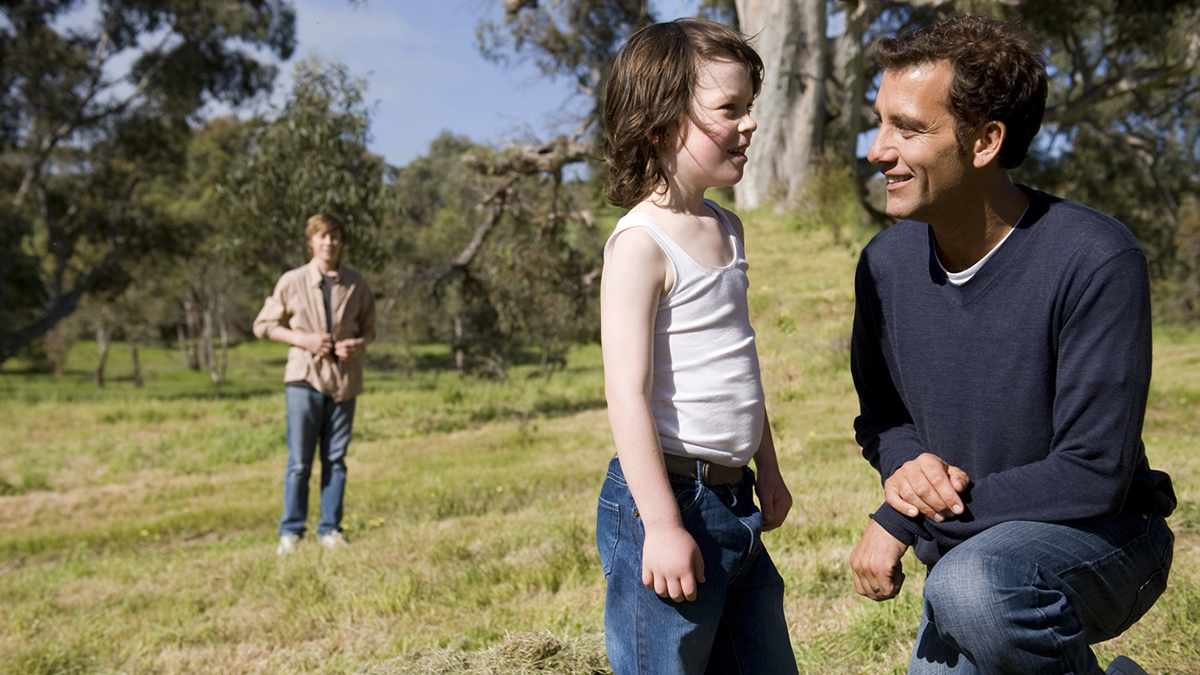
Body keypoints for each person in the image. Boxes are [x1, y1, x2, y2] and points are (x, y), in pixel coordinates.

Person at [848, 15, 1176, 675]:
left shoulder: (1095, 257)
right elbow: (884, 417)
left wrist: (904, 516)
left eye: (909, 128)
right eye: (879, 121)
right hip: (971, 548)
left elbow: (1091, 472)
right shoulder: (882, 264)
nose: (878, 150)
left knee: (969, 589)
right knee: (967, 585)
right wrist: (907, 465)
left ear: (986, 141)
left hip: (1107, 538)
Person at [594, 18, 797, 675]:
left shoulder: (727, 227)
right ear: (660, 127)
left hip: (734, 500)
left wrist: (766, 463)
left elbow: (738, 361)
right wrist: (660, 524)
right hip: (667, 498)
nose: (749, 124)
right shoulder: (640, 244)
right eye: (728, 109)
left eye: (750, 107)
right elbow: (625, 392)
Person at [253, 213, 375, 555]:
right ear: (311, 241)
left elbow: (370, 328)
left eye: (334, 236)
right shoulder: (291, 281)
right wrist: (303, 340)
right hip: (304, 378)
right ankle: (291, 531)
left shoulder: (356, 283)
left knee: (335, 459)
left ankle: (330, 529)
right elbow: (263, 325)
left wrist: (359, 344)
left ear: (341, 241)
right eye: (322, 236)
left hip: (345, 380)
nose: (328, 242)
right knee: (300, 461)